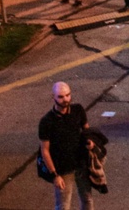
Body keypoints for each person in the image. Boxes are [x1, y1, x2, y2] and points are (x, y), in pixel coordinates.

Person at [39, 81, 94, 210]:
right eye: (61, 97)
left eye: (68, 95)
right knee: (63, 206)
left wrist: (90, 141)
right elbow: (45, 150)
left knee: (87, 200)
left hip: (81, 164)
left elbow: (86, 130)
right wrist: (55, 175)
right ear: (53, 97)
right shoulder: (47, 121)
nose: (66, 100)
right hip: (63, 169)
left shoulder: (78, 110)